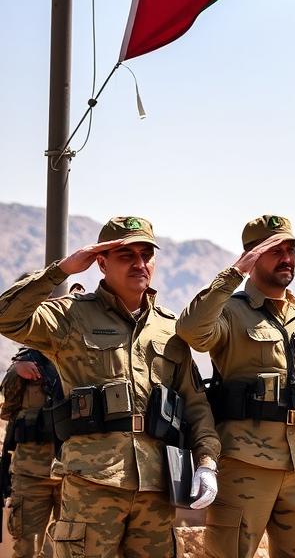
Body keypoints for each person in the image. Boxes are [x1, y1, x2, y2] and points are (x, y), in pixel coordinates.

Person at [0, 217, 220, 558]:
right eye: (126, 255)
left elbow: (195, 405)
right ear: (101, 263)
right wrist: (62, 270)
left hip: (156, 488)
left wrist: (206, 462)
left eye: (146, 254)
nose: (139, 263)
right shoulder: (70, 316)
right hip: (92, 483)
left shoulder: (170, 329)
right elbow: (6, 316)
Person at [176, 214, 295, 558]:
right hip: (245, 464)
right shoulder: (229, 311)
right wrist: (234, 275)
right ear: (252, 256)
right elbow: (191, 331)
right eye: (275, 250)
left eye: (291, 250)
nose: (287, 258)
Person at [1, 346, 63, 557]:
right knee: (27, 548)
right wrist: (16, 370)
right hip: (31, 473)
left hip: (75, 472)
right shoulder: (29, 361)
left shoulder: (82, 357)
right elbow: (9, 408)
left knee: (74, 548)